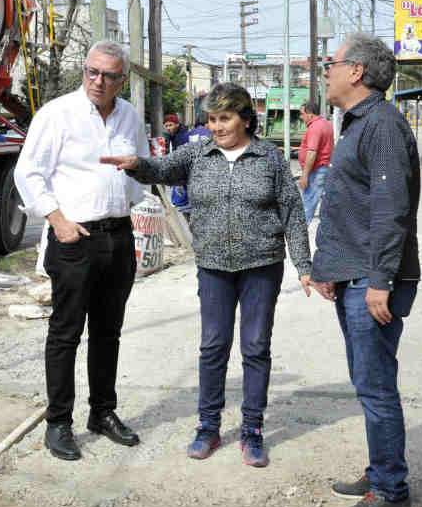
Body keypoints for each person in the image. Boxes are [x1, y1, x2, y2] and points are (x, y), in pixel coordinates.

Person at [101, 82, 312, 467]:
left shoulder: (269, 158)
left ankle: (252, 429)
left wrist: (303, 265)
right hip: (213, 267)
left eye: (224, 118)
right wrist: (136, 164)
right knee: (213, 346)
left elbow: (292, 212)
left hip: (261, 266)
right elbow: (162, 169)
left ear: (245, 119)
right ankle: (208, 426)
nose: (216, 126)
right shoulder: (198, 153)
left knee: (255, 347)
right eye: (211, 119)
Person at [13, 40, 148, 461]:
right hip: (74, 238)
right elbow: (28, 173)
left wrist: (125, 200)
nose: (98, 81)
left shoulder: (129, 117)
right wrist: (58, 221)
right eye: (92, 71)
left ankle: (102, 413)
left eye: (109, 75)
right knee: (66, 332)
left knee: (108, 332)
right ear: (84, 71)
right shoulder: (58, 114)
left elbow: (141, 166)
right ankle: (58, 423)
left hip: (118, 236)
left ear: (122, 80)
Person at [311, 32, 420, 507]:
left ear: (355, 71)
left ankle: (391, 492)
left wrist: (380, 279)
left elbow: (390, 209)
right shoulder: (358, 123)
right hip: (354, 274)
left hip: (373, 281)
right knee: (367, 382)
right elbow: (347, 206)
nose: (326, 73)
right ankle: (381, 471)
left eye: (331, 65)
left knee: (376, 388)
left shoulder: (382, 125)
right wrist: (329, 268)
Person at [297, 100, 334, 225]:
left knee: (307, 203)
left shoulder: (315, 127)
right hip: (324, 168)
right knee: (326, 203)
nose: (301, 117)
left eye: (302, 114)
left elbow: (312, 152)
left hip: (316, 170)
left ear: (310, 114)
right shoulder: (326, 123)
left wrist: (304, 175)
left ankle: (300, 230)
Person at [163, 114, 191, 215]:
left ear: (177, 124)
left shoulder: (182, 136)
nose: (168, 128)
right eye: (166, 126)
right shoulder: (172, 135)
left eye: (170, 125)